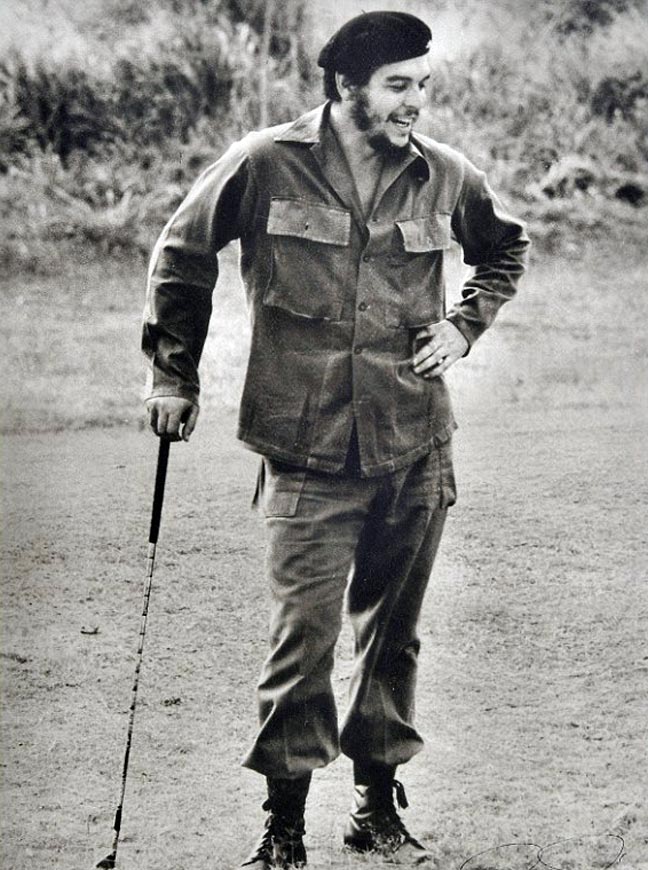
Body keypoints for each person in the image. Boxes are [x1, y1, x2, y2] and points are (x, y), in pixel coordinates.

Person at [143, 10, 529, 868]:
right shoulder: (264, 162)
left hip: (414, 443)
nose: (415, 102)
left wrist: (464, 326)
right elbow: (181, 254)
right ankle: (284, 826)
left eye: (423, 85)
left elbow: (505, 248)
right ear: (346, 85)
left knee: (393, 640)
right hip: (305, 448)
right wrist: (173, 375)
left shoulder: (444, 173)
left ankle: (375, 808)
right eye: (398, 86)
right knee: (302, 644)